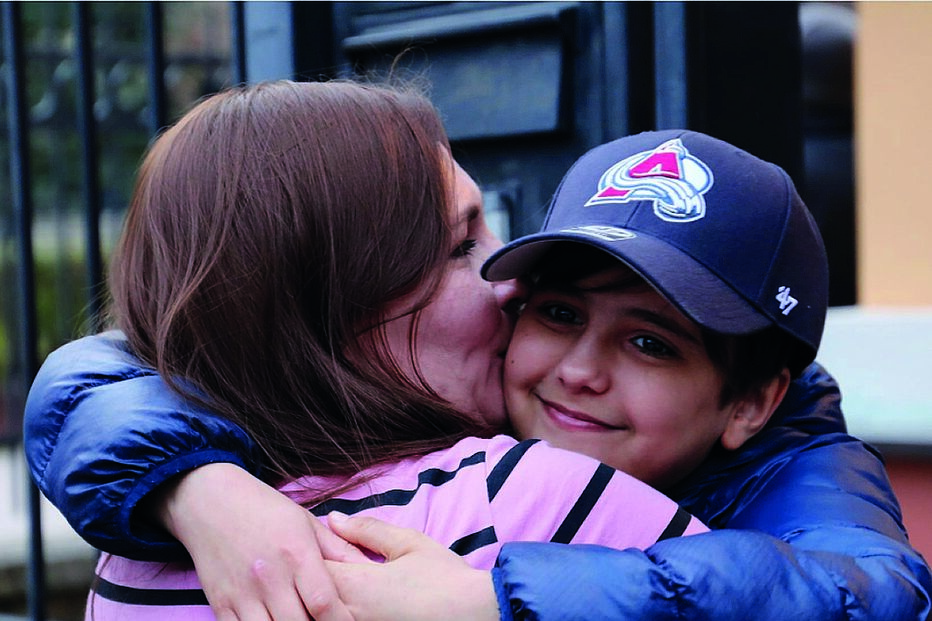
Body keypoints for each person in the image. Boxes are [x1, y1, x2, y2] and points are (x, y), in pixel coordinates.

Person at [25, 126, 932, 621]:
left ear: (750, 399)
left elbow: (877, 598)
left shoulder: (792, 457)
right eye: (559, 310)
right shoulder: (478, 457)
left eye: (651, 342)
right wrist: (196, 484)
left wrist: (496, 595)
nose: (577, 368)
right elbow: (119, 365)